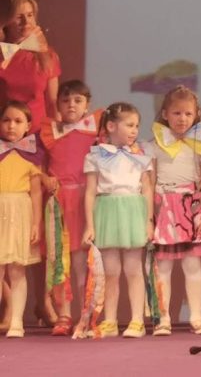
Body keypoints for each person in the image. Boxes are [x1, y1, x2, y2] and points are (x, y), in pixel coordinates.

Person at [145, 85, 201, 335]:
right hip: (165, 206)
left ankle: (196, 317)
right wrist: (150, 218)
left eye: (188, 114)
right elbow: (150, 182)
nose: (182, 119)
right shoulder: (154, 145)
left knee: (192, 265)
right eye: (176, 113)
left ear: (196, 115)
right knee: (163, 267)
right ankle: (163, 318)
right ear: (165, 114)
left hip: (192, 208)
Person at [81, 102, 153, 339]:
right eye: (129, 125)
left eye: (137, 126)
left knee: (133, 269)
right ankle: (110, 320)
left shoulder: (140, 156)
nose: (134, 130)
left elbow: (147, 190)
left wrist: (149, 221)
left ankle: (137, 320)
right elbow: (90, 192)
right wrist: (90, 225)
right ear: (111, 126)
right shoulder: (95, 155)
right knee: (111, 271)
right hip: (107, 211)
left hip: (133, 211)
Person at [40, 79, 100, 335]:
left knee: (81, 263)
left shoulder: (95, 132)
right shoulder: (49, 133)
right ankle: (63, 314)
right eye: (65, 101)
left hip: (84, 202)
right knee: (59, 262)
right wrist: (45, 179)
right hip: (59, 204)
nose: (71, 105)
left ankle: (86, 314)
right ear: (58, 105)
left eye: (77, 100)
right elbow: (40, 166)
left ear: (87, 104)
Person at [0, 102, 42, 337]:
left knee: (17, 271)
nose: (11, 126)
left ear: (28, 126)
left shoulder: (31, 156)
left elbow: (36, 193)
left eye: (17, 121)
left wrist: (36, 223)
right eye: (6, 120)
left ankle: (17, 321)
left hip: (20, 213)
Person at [0, 0, 60, 132]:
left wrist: (56, 137)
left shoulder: (47, 55)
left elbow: (52, 104)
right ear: (5, 20)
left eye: (30, 15)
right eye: (19, 17)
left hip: (38, 135)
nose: (26, 22)